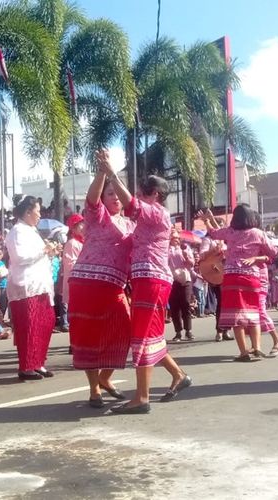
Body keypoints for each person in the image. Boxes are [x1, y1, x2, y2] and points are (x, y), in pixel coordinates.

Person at [97, 152, 190, 414]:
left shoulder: (157, 213)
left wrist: (112, 174)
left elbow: (131, 206)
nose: (137, 196)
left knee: (142, 336)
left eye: (142, 193)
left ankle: (142, 397)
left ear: (154, 195)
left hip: (152, 278)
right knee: (149, 334)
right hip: (148, 278)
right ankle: (178, 376)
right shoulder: (154, 217)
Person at [68, 168, 134, 408]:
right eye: (110, 193)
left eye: (117, 192)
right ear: (103, 198)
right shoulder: (96, 216)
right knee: (89, 336)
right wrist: (101, 174)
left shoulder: (130, 224)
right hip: (86, 283)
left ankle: (105, 378)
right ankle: (94, 388)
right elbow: (91, 199)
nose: (115, 196)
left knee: (124, 330)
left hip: (114, 285)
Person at [201, 204, 278, 361]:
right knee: (253, 313)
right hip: (251, 278)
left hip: (231, 277)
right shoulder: (258, 233)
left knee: (236, 316)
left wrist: (207, 221)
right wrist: (258, 255)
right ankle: (257, 347)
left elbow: (214, 234)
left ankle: (243, 352)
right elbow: (274, 252)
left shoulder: (230, 232)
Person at [4, 196, 57, 381]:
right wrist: (43, 251)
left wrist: (48, 252)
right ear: (27, 212)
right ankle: (26, 366)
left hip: (40, 285)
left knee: (45, 323)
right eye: (37, 211)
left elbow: (37, 257)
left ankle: (38, 362)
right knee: (30, 326)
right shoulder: (17, 231)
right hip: (26, 287)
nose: (39, 215)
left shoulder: (31, 231)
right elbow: (20, 258)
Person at [168, 228, 196, 342]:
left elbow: (192, 264)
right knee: (174, 306)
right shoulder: (166, 250)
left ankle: (188, 330)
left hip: (185, 278)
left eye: (177, 238)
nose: (175, 240)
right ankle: (178, 332)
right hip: (172, 279)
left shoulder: (185, 249)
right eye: (173, 238)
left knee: (185, 304)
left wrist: (186, 256)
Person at [60, 214, 85, 333]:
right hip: (76, 282)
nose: (83, 226)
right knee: (77, 313)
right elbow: (70, 264)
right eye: (80, 225)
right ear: (73, 228)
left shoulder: (83, 242)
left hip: (84, 282)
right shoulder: (72, 243)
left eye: (84, 223)